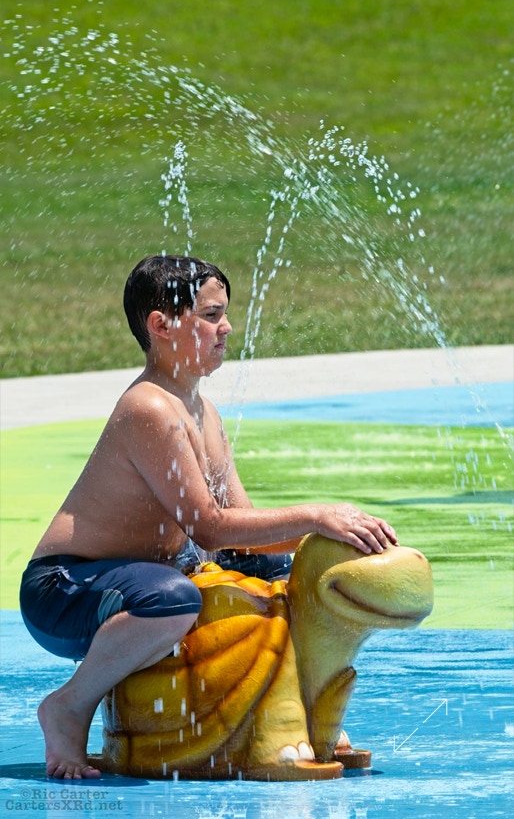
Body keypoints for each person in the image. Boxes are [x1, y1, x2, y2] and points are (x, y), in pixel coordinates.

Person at [19, 254, 398, 781]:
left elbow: (244, 530)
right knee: (174, 601)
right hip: (64, 589)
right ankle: (69, 705)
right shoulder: (149, 407)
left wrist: (323, 548)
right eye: (211, 315)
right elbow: (209, 527)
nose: (227, 328)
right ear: (161, 325)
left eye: (225, 314)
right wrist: (317, 515)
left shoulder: (203, 411)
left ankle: (304, 706)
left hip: (145, 579)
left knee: (285, 573)